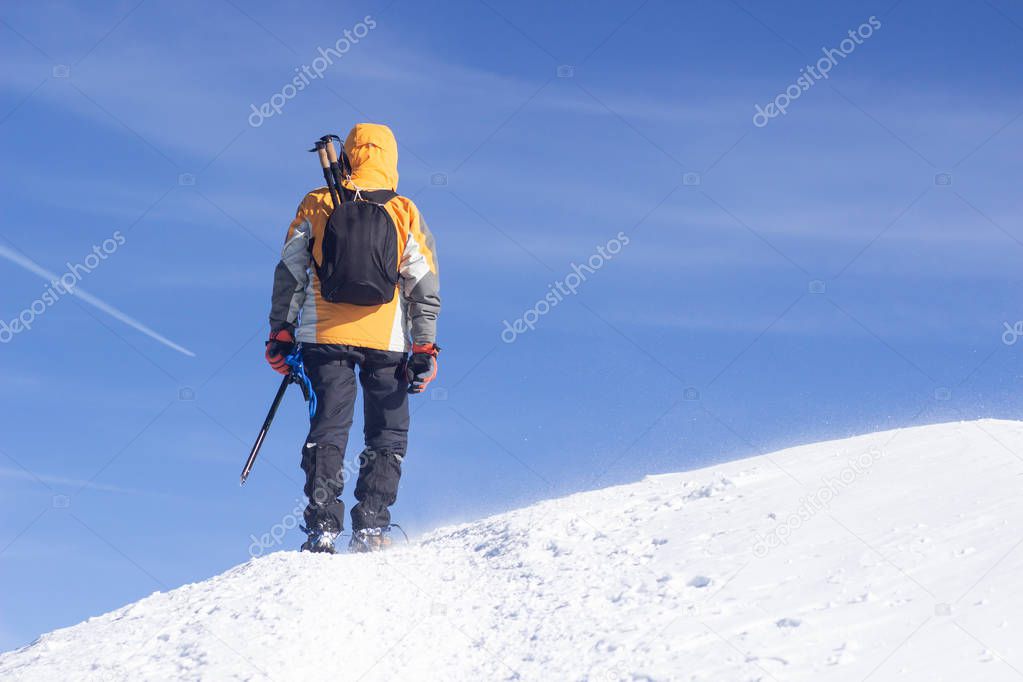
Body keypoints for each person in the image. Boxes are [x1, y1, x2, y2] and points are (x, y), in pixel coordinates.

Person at [265, 123, 441, 553]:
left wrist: (280, 333)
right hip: (387, 341)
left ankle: (323, 526)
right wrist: (425, 346)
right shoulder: (405, 210)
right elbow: (423, 284)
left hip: (323, 334)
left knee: (329, 428)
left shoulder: (318, 201)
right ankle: (372, 526)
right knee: (386, 431)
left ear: (348, 154)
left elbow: (290, 273)